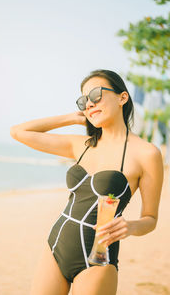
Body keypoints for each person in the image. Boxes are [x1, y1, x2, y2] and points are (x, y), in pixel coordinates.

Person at [10, 69, 164, 295]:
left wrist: (130, 226)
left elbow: (150, 219)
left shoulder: (146, 153)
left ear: (123, 97)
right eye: (84, 101)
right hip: (56, 246)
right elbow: (18, 131)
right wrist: (72, 118)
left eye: (96, 95)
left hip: (98, 257)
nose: (89, 104)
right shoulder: (80, 145)